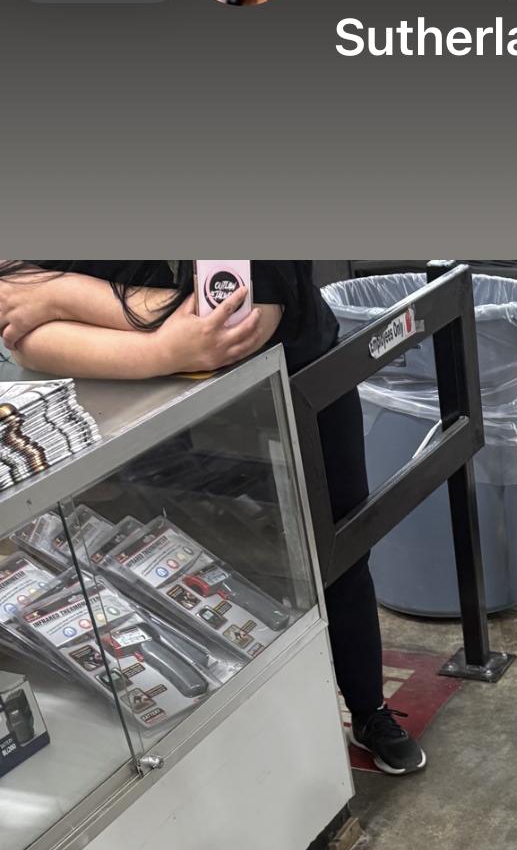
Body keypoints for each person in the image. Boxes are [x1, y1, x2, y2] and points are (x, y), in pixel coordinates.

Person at [0, 260, 423, 773]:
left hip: (292, 390)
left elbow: (236, 323)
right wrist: (165, 347)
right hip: (144, 412)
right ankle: (238, 733)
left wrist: (63, 294)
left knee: (333, 558)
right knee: (157, 583)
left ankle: (367, 707)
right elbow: (20, 326)